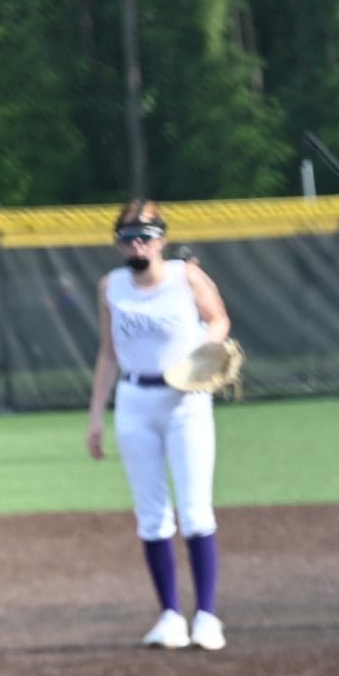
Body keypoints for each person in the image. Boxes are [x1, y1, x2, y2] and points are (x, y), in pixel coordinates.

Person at [86, 197, 233, 651]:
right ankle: (170, 615)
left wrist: (201, 353)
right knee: (151, 516)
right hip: (134, 401)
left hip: (185, 401)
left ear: (161, 240)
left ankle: (206, 617)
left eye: (145, 237)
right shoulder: (111, 286)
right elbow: (109, 352)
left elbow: (218, 319)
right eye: (127, 238)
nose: (136, 245)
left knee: (195, 510)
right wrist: (96, 415)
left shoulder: (185, 276)